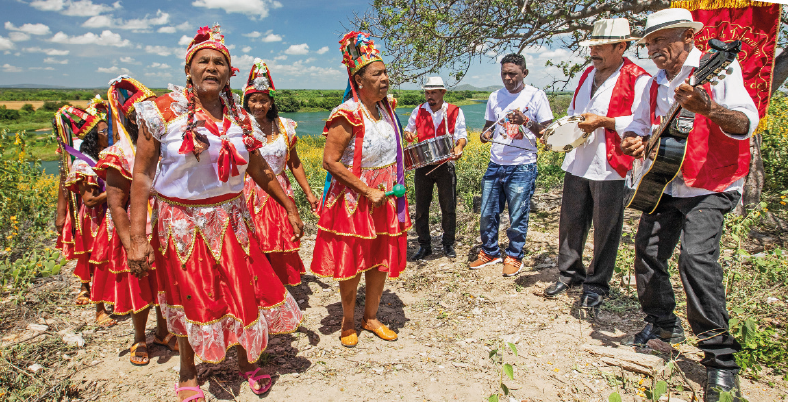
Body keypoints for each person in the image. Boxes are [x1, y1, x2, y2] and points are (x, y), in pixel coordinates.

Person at [127, 25, 304, 401]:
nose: (212, 67)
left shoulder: (239, 116)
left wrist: (289, 206)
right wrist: (138, 238)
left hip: (233, 220)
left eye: (220, 62)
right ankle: (188, 372)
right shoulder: (160, 113)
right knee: (192, 297)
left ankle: (248, 364)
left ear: (229, 71)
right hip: (181, 225)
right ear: (188, 68)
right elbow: (141, 175)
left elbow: (259, 168)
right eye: (203, 61)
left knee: (243, 293)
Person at [620, 9, 758, 402]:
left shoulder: (717, 72)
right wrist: (635, 139)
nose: (654, 49)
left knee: (696, 260)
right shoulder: (653, 85)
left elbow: (747, 123)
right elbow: (641, 126)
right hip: (665, 183)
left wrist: (708, 109)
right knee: (647, 254)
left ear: (688, 37)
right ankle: (663, 325)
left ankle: (720, 362)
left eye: (662, 40)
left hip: (712, 182)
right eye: (649, 43)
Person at [311, 31, 411, 348]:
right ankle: (348, 321)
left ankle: (371, 317)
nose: (384, 79)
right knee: (353, 261)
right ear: (360, 78)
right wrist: (368, 191)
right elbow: (330, 161)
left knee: (380, 256)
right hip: (356, 198)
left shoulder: (388, 110)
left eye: (385, 73)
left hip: (387, 196)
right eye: (376, 74)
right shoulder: (347, 114)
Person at [543, 18, 650, 310]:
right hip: (579, 161)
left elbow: (643, 122)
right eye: (593, 46)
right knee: (571, 222)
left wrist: (604, 122)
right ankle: (569, 275)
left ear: (621, 46)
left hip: (611, 163)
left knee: (606, 228)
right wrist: (557, 132)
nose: (594, 52)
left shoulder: (638, 78)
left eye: (601, 46)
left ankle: (597, 284)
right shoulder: (587, 75)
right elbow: (574, 112)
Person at [90, 76, 179, 366]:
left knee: (166, 283)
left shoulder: (163, 145)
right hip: (136, 227)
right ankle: (140, 337)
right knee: (141, 284)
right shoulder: (119, 154)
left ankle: (163, 332)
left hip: (165, 225)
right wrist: (132, 243)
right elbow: (116, 205)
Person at [469, 53, 553, 277]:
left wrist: (525, 121)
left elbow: (547, 132)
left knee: (517, 215)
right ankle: (490, 251)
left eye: (512, 74)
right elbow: (489, 125)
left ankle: (515, 255)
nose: (507, 78)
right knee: (487, 212)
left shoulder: (536, 95)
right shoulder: (495, 96)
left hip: (522, 166)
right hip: (496, 163)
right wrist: (485, 135)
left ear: (524, 73)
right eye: (504, 73)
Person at [241, 58, 319, 286]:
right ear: (246, 103)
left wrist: (308, 193)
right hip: (250, 192)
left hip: (280, 192)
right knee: (254, 241)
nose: (258, 106)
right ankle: (257, 288)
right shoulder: (240, 126)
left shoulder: (285, 127)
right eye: (253, 100)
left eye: (263, 101)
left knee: (280, 240)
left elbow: (294, 163)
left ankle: (278, 288)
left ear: (271, 103)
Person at [61, 103, 116, 327]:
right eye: (105, 132)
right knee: (98, 262)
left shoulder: (107, 157)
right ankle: (99, 310)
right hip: (94, 220)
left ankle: (113, 299)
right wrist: (116, 191)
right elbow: (90, 200)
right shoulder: (85, 164)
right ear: (95, 137)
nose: (109, 135)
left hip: (108, 216)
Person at [404, 76, 468, 260]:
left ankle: (448, 243)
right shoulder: (418, 110)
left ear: (442, 92)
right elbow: (410, 131)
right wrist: (409, 134)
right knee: (422, 207)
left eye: (433, 92)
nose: (429, 96)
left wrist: (459, 147)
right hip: (423, 165)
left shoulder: (455, 111)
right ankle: (424, 245)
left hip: (445, 165)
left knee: (448, 206)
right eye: (427, 92)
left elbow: (461, 135)